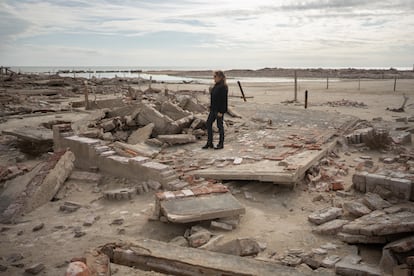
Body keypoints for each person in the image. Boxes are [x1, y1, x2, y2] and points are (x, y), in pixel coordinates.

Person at [202, 70, 228, 150]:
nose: (214, 78)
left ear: (220, 77)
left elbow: (224, 100)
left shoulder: (223, 87)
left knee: (219, 126)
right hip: (213, 109)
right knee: (208, 123)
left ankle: (221, 144)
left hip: (219, 110)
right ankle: (209, 142)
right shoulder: (216, 85)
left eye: (215, 76)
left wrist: (222, 111)